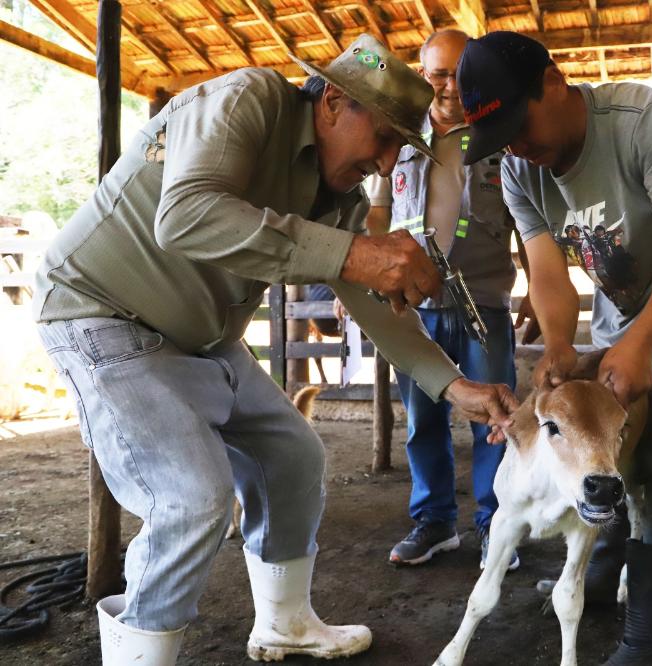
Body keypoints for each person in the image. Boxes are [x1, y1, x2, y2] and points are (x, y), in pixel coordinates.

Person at [33, 34, 516, 665]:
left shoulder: (337, 198)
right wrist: (354, 252)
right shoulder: (247, 100)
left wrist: (455, 387)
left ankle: (285, 624)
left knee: (293, 456)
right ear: (335, 101)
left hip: (203, 335)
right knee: (190, 496)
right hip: (103, 312)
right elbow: (185, 217)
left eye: (403, 145)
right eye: (386, 137)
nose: (387, 161)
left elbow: (370, 303)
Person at [457, 32, 652, 665]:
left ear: (552, 84)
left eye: (520, 126)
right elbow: (548, 274)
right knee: (605, 443)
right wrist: (558, 342)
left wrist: (640, 344)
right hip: (617, 306)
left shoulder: (643, 123)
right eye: (502, 141)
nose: (518, 149)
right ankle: (598, 577)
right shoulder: (521, 170)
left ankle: (646, 641)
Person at [365, 29, 529, 570]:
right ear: (421, 73)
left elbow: (528, 223)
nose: (449, 85)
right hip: (416, 307)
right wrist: (368, 276)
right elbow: (377, 214)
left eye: (459, 73)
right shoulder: (400, 137)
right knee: (423, 419)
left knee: (495, 417)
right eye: (437, 73)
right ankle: (434, 521)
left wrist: (535, 288)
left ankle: (494, 525)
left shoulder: (497, 139)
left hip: (485, 302)